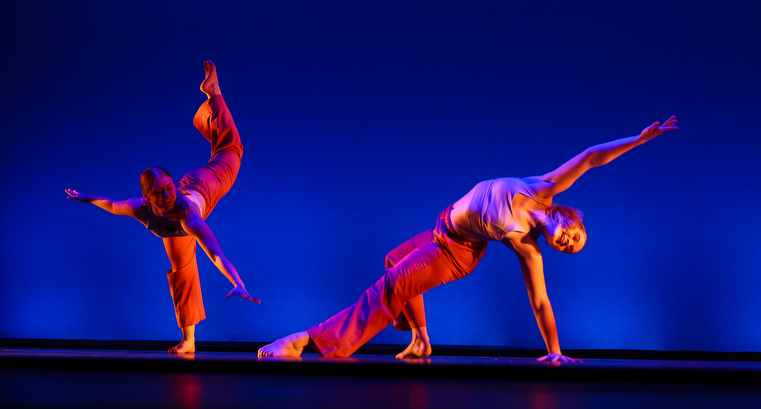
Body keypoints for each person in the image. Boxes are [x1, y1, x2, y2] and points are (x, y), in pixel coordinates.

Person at [258, 116, 679, 362]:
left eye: (568, 248)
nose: (567, 244)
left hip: (456, 253)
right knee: (393, 261)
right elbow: (591, 157)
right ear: (565, 217)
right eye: (573, 236)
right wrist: (640, 139)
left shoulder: (527, 245)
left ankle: (310, 341)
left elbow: (540, 301)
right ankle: (421, 339)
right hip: (442, 228)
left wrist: (554, 350)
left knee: (393, 285)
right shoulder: (545, 187)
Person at [66, 61, 260, 353]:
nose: (167, 194)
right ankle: (188, 341)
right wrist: (87, 198)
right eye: (160, 192)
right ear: (147, 197)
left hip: (202, 185)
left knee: (231, 149)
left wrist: (237, 281)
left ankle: (214, 93)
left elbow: (215, 253)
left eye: (169, 188)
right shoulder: (139, 208)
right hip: (172, 229)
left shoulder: (189, 216)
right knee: (181, 272)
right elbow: (112, 204)